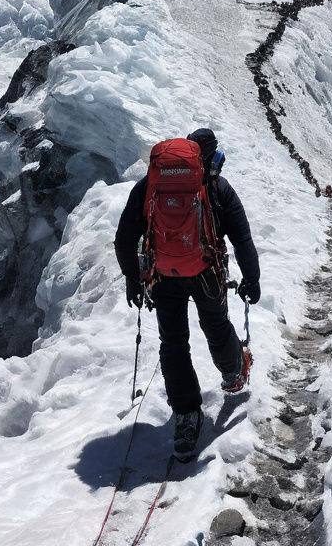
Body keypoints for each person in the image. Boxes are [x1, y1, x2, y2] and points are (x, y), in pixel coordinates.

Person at [114, 128, 261, 460]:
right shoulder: (218, 189)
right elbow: (243, 239)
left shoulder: (150, 186)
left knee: (174, 342)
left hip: (164, 275)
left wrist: (133, 280)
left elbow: (124, 238)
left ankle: (186, 416)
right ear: (211, 159)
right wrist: (251, 279)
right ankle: (234, 372)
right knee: (215, 324)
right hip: (207, 272)